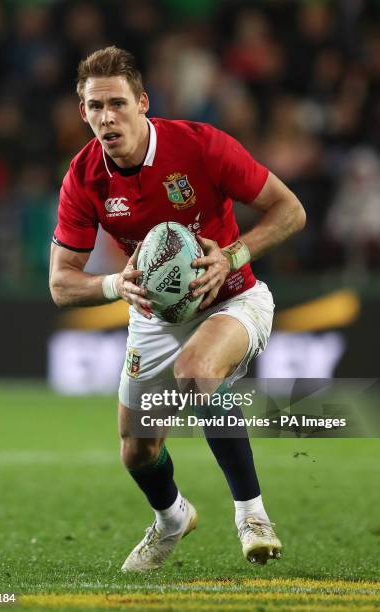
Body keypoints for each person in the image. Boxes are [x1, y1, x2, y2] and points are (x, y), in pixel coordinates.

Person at [49, 46, 306, 571]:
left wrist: (232, 254)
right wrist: (116, 285)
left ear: (143, 102)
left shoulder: (201, 146)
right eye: (95, 107)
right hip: (154, 315)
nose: (107, 118)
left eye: (117, 104)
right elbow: (61, 284)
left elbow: (291, 211)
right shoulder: (83, 177)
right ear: (83, 112)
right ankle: (172, 517)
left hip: (234, 296)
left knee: (197, 371)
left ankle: (251, 515)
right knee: (135, 451)